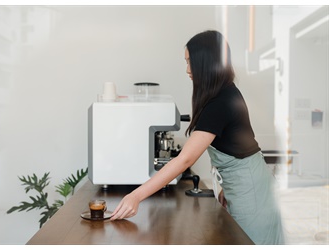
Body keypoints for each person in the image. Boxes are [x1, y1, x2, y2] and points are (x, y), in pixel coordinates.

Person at [110, 30, 285, 245]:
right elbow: (236, 146)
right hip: (247, 187)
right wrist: (227, 190)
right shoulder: (224, 93)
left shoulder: (221, 102)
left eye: (189, 62)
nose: (187, 70)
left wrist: (135, 196)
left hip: (253, 195)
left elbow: (185, 159)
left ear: (205, 62)